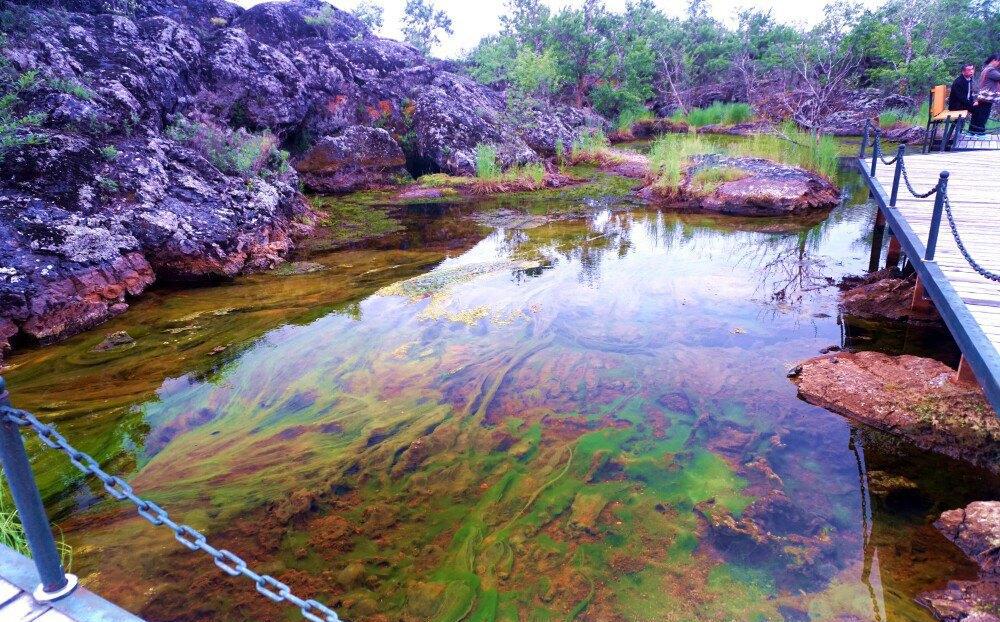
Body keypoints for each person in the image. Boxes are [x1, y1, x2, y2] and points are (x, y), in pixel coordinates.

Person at [970, 54, 1000, 134]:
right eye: (998, 61)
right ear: (994, 60)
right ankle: (978, 133)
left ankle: (974, 132)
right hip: (986, 97)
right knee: (983, 116)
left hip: (984, 97)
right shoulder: (991, 70)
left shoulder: (986, 69)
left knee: (980, 114)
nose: (999, 64)